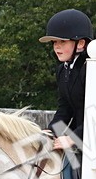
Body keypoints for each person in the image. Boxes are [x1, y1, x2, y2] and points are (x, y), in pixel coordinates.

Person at [39, 9, 92, 155]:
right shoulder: (62, 70)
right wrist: (51, 132)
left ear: (80, 43)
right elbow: (65, 109)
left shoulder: (90, 68)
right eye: (55, 42)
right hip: (79, 137)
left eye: (62, 41)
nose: (56, 46)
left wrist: (72, 138)